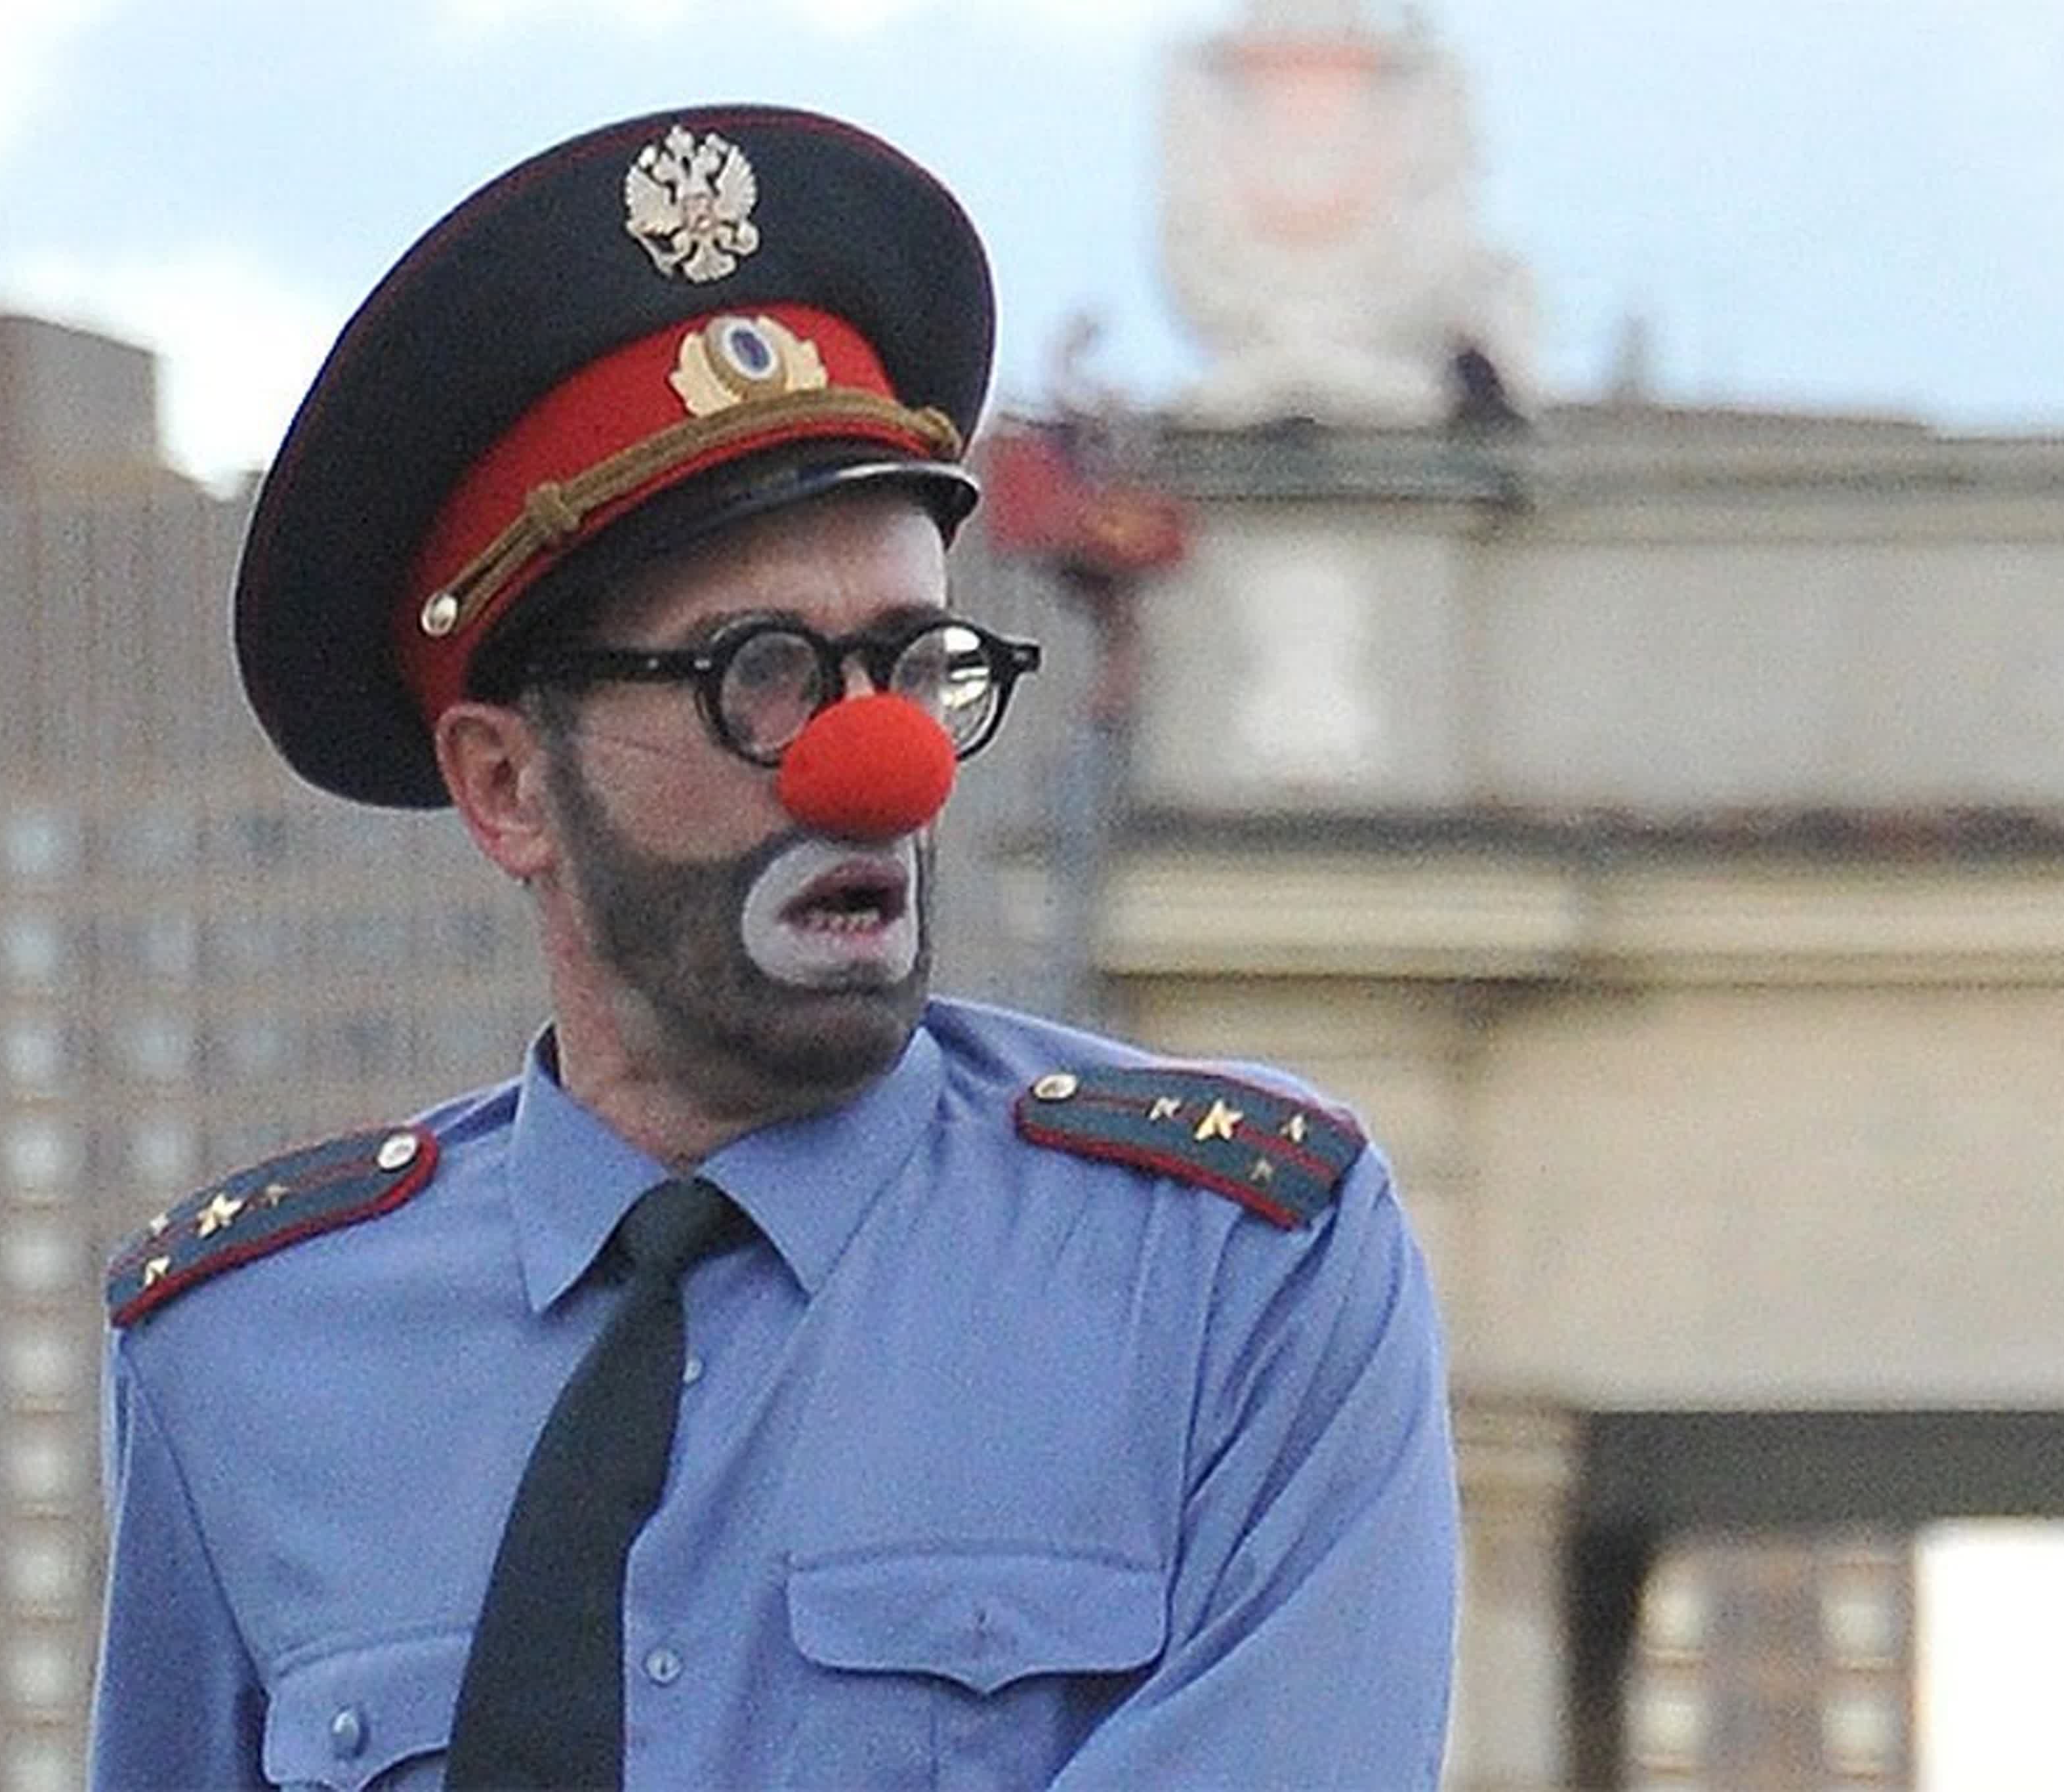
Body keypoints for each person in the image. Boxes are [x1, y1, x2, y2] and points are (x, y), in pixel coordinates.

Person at [89, 104, 1456, 1791]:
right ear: (506, 786)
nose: (871, 763)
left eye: (910, 663)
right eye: (758, 675)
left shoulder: (1227, 1267)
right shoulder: (246, 1345)